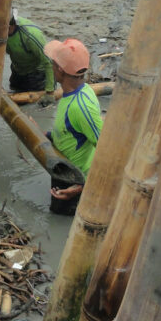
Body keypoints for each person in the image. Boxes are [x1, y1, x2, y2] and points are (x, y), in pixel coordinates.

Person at [44, 38, 102, 215]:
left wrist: (80, 187)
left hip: (75, 178)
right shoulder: (72, 93)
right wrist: (47, 135)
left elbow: (107, 151)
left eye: (53, 64)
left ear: (60, 70)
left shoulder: (81, 107)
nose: (51, 67)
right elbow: (69, 130)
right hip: (63, 166)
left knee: (62, 216)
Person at [6, 10, 55, 103]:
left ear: (9, 26)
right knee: (14, 91)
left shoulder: (30, 36)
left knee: (30, 104)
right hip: (18, 67)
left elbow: (49, 62)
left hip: (36, 74)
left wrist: (50, 92)